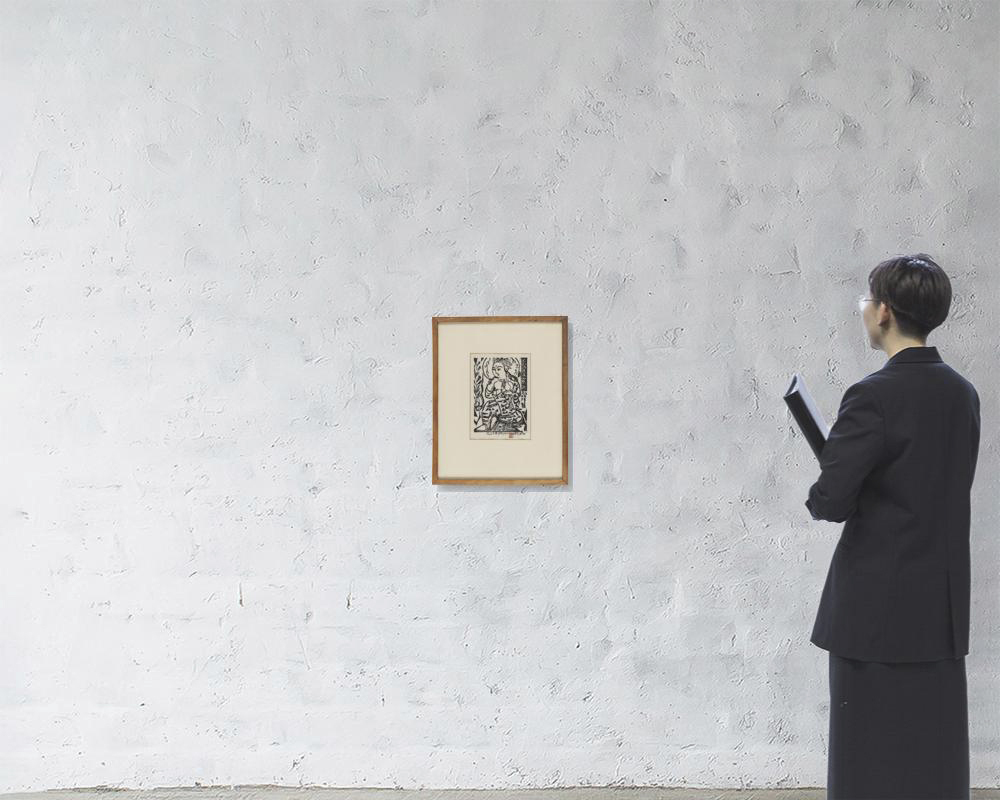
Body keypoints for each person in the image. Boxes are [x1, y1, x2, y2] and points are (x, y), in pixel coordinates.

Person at [804, 254, 979, 799]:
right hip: (939, 608)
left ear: (883, 312)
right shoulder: (963, 393)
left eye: (867, 299)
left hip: (874, 608)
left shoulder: (872, 395)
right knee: (934, 756)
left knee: (866, 759)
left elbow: (831, 502)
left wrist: (830, 471)